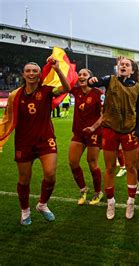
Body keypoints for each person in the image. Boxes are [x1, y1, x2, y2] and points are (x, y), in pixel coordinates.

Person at [12, 59, 70, 225]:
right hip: (24, 142)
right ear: (23, 74)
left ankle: (42, 204)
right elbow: (8, 119)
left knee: (50, 175)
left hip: (46, 139)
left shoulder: (46, 91)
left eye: (35, 71)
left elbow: (66, 88)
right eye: (28, 71)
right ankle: (25, 211)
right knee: (24, 179)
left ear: (39, 75)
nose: (31, 73)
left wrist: (58, 70)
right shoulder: (15, 96)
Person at [88, 56, 139, 220]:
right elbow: (96, 82)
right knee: (110, 167)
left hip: (129, 131)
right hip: (110, 130)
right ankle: (111, 202)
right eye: (122, 64)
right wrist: (92, 80)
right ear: (118, 67)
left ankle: (130, 202)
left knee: (131, 167)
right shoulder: (110, 79)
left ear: (132, 70)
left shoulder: (138, 88)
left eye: (127, 65)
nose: (124, 66)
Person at [69, 68, 104, 205]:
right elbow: (65, 85)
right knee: (73, 162)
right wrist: (58, 69)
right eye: (80, 74)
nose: (81, 76)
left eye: (85, 74)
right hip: (78, 133)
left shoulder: (98, 93)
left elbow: (104, 114)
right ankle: (83, 189)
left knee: (92, 162)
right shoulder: (76, 91)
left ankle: (97, 192)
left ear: (90, 78)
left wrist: (93, 127)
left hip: (94, 133)